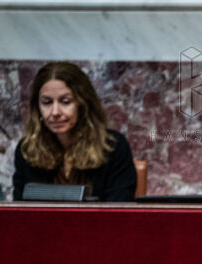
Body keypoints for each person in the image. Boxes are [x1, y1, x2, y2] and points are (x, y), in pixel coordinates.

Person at [14, 61, 137, 202]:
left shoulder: (113, 147)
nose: (55, 112)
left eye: (65, 102)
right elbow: (19, 209)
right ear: (37, 107)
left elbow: (119, 209)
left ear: (83, 104)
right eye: (47, 102)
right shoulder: (27, 150)